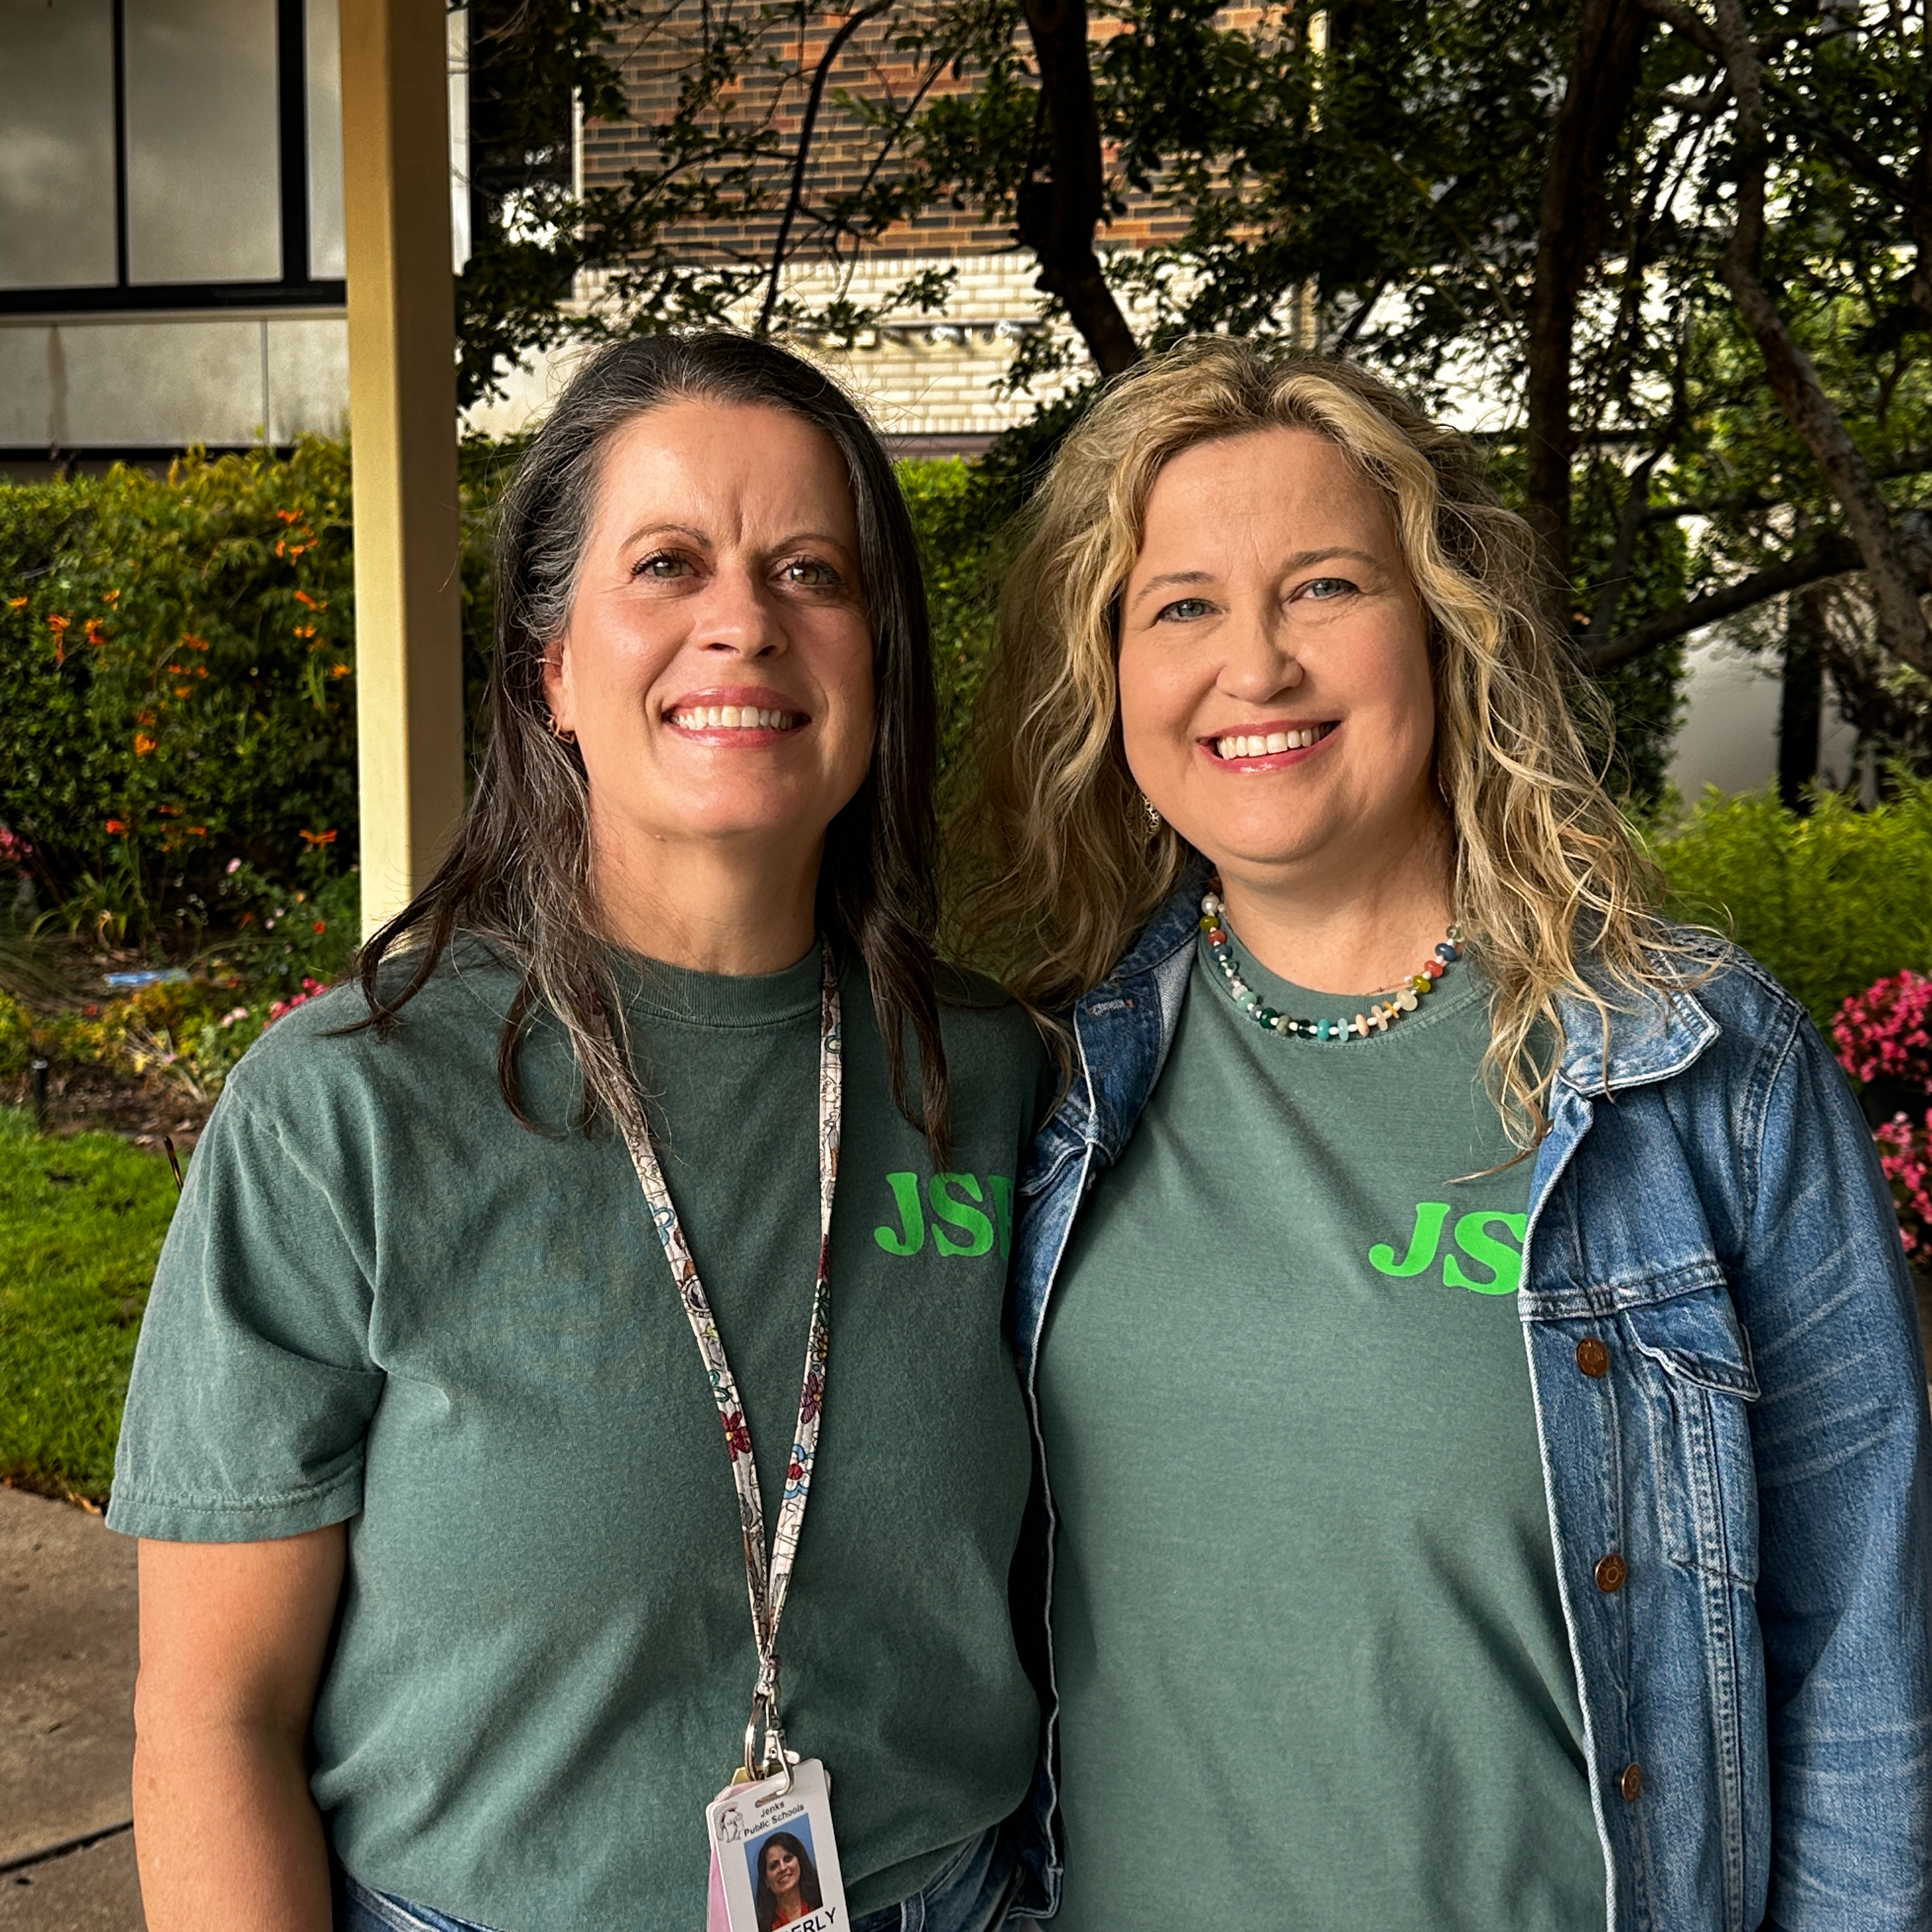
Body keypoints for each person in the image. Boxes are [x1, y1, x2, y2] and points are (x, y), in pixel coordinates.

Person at [955, 339, 1932, 1929]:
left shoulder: (1693, 1071)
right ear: (1109, 674)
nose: (1254, 667)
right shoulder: (1042, 1086)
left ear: (1445, 627)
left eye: (1326, 587)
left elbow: (1867, 1651)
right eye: (1180, 605)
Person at [109, 333, 1043, 1932]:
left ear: (878, 660)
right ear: (550, 664)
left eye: (809, 570)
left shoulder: (998, 1077)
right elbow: (212, 1720)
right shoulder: (348, 1107)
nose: (742, 621)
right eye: (667, 564)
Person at [755, 1831, 825, 1929]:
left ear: (800, 1862)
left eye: (788, 1859)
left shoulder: (824, 1900)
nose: (783, 1868)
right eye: (774, 1866)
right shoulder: (762, 1929)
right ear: (766, 1880)